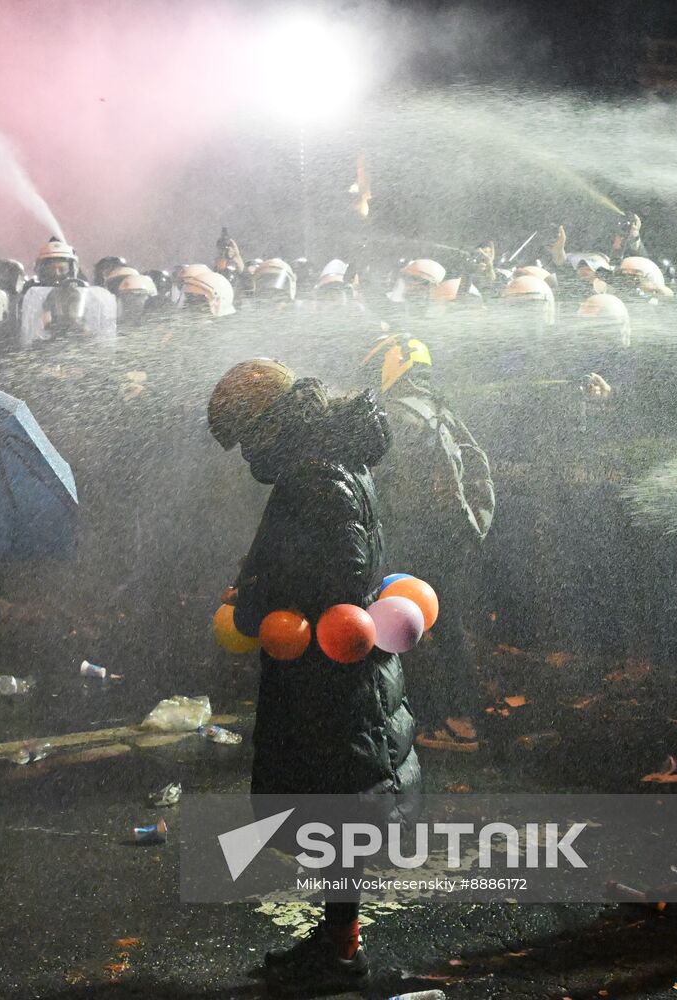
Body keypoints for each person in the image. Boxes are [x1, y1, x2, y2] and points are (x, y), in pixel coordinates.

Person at [207, 359, 419, 993]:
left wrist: (257, 596)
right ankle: (337, 939)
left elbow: (340, 574)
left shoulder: (315, 475)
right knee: (337, 808)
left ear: (272, 425)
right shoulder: (326, 456)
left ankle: (340, 953)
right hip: (333, 671)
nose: (247, 454)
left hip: (332, 678)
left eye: (248, 438)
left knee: (337, 807)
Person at [363, 336, 494, 741]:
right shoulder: (438, 408)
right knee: (448, 624)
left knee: (405, 623)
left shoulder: (398, 414)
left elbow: (385, 483)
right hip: (454, 533)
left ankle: (442, 717)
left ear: (393, 364)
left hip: (417, 533)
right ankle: (460, 715)